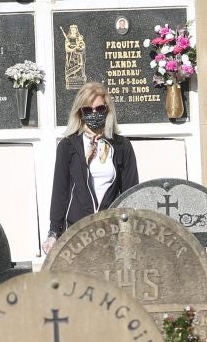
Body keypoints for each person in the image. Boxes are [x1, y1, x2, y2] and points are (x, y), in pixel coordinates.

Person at [43, 83, 138, 253]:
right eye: (87, 110)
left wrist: (131, 230)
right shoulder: (68, 146)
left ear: (107, 109)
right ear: (80, 113)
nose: (94, 113)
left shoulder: (122, 146)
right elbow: (60, 192)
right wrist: (53, 232)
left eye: (99, 108)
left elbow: (130, 192)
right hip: (77, 232)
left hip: (111, 231)